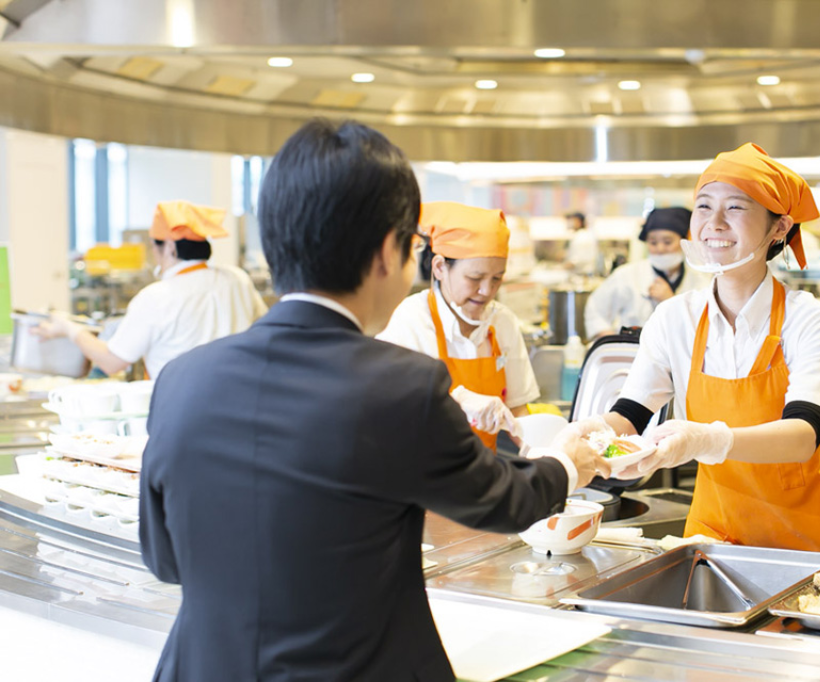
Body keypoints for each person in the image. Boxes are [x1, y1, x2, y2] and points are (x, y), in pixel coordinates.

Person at [139, 119, 608, 682]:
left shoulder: (182, 380)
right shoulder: (402, 386)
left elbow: (165, 560)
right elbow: (504, 503)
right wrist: (567, 463)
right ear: (390, 251)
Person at [560, 143, 820, 557]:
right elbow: (630, 416)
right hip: (713, 533)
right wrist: (587, 435)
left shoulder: (811, 319)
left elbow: (803, 435)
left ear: (779, 227)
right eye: (703, 206)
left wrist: (706, 439)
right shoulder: (674, 318)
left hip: (804, 542)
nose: (713, 223)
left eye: (735, 207)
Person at [33, 201, 267, 380]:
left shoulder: (157, 296)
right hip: (235, 398)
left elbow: (111, 362)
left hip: (179, 409)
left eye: (154, 245)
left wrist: (69, 328)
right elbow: (262, 326)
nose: (153, 253)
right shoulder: (237, 279)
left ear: (171, 247)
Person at [377, 201, 539, 449]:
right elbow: (389, 412)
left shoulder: (502, 322)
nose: (487, 290)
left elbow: (518, 411)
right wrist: (456, 400)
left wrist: (543, 456)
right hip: (421, 466)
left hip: (484, 467)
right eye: (475, 278)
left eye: (497, 278)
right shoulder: (408, 322)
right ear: (440, 267)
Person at [585, 207, 708, 338]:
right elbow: (595, 310)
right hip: (632, 349)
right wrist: (611, 340)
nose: (660, 248)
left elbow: (705, 326)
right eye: (653, 242)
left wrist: (670, 301)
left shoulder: (701, 280)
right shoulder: (627, 274)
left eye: (667, 242)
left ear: (683, 241)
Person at [564, 210, 602, 276]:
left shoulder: (582, 237)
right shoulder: (582, 235)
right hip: (582, 272)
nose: (571, 224)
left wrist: (568, 265)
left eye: (572, 221)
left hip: (583, 273)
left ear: (578, 222)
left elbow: (579, 258)